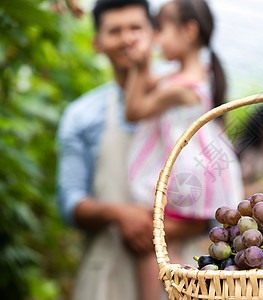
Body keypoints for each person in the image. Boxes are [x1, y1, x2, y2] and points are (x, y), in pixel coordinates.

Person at [123, 0, 244, 299]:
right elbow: (150, 84)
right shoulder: (196, 74)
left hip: (187, 176)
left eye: (160, 29)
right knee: (164, 243)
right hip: (196, 173)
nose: (156, 37)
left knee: (155, 241)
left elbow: (134, 110)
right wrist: (144, 63)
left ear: (189, 31)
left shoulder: (181, 88)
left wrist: (140, 63)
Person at [56, 1, 159, 299]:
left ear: (154, 34)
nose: (127, 38)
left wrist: (160, 230)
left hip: (180, 275)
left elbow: (215, 206)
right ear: (97, 44)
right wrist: (117, 213)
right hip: (105, 277)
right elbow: (69, 202)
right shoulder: (82, 115)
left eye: (136, 28)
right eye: (115, 31)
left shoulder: (185, 107)